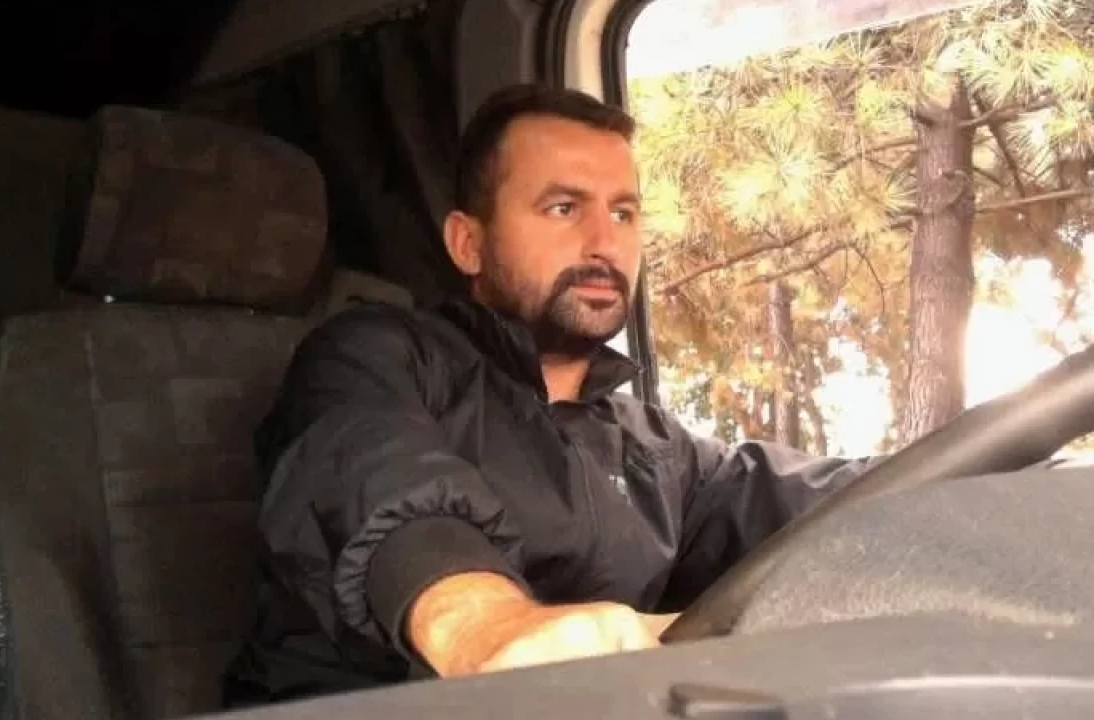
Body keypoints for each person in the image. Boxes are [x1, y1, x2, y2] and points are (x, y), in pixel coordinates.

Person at [223, 83, 875, 706]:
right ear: (469, 243)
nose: (605, 242)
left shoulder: (652, 449)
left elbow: (810, 502)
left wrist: (935, 489)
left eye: (623, 213)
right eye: (563, 208)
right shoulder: (375, 357)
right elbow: (376, 483)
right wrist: (483, 628)